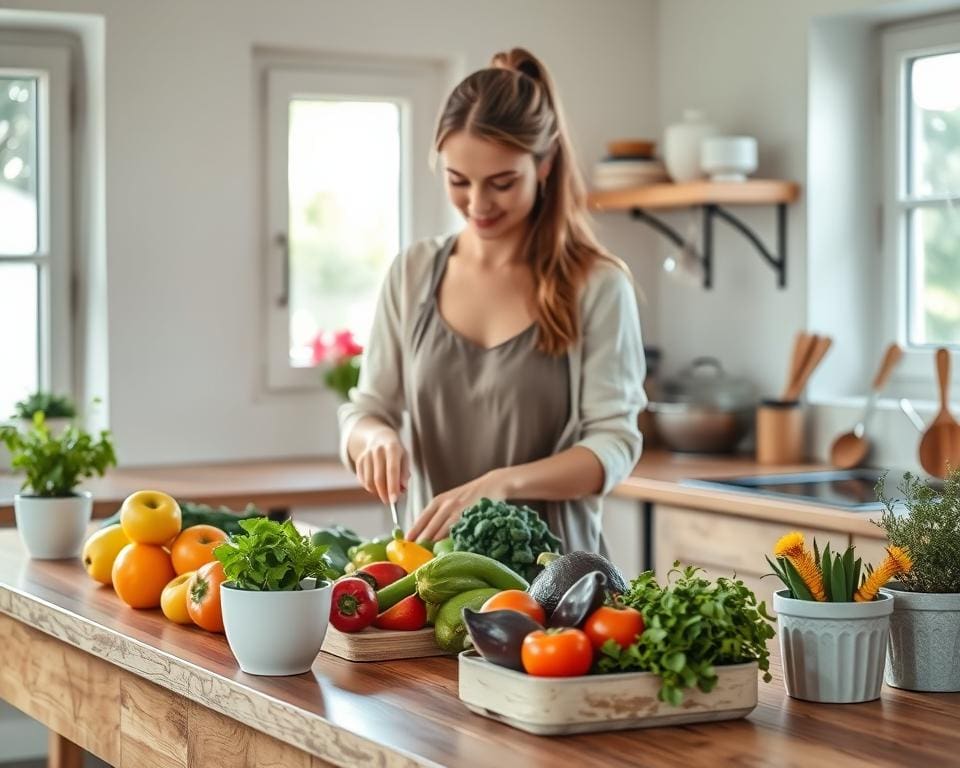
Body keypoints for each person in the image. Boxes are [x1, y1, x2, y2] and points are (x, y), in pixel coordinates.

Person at [338, 47, 646, 554]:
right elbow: (366, 410)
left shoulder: (597, 285)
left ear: (544, 165)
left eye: (502, 183)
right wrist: (374, 439)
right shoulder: (412, 274)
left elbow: (614, 446)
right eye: (458, 181)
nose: (477, 205)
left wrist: (501, 485)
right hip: (431, 583)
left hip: (558, 587)